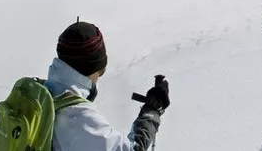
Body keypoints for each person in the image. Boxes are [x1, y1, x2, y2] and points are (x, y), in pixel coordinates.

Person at [42, 21, 169, 151]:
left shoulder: (40, 93)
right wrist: (151, 111)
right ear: (93, 68)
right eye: (101, 70)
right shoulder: (78, 117)